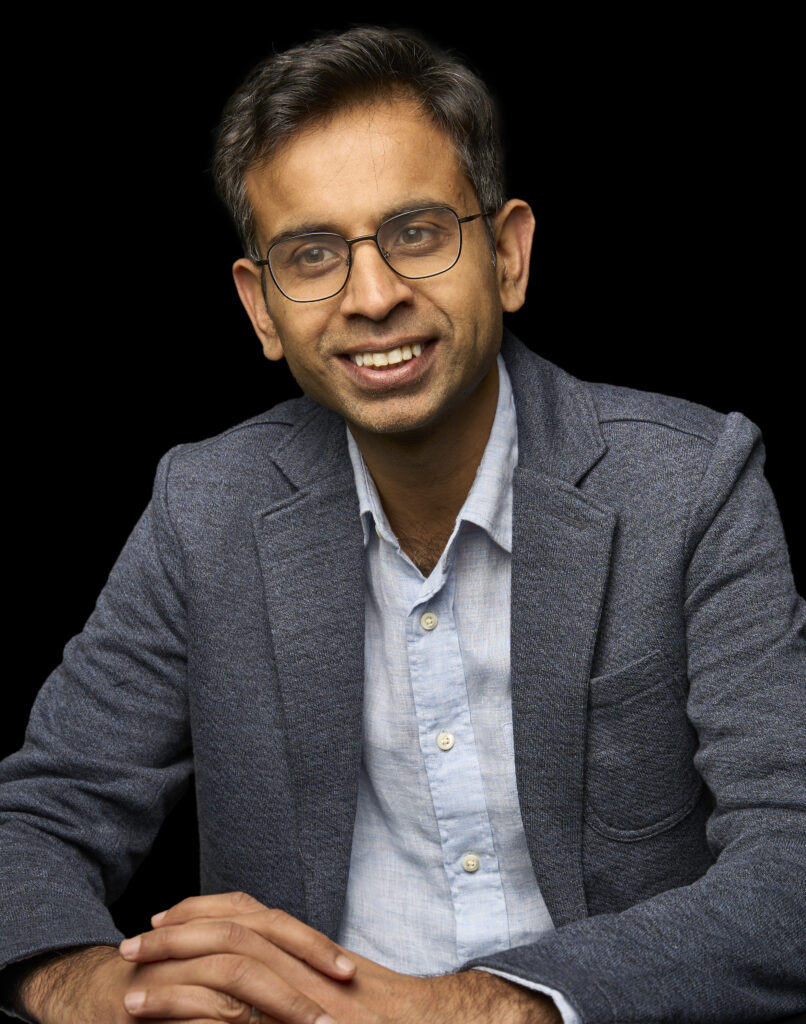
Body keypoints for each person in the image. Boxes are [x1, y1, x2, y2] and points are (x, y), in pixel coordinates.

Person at [1, 24, 804, 1024]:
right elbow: (33, 819)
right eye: (311, 254)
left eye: (416, 232)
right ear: (262, 309)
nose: (372, 297)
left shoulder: (689, 485)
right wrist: (89, 985)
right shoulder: (205, 508)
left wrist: (473, 1006)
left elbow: (792, 866)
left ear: (506, 255)